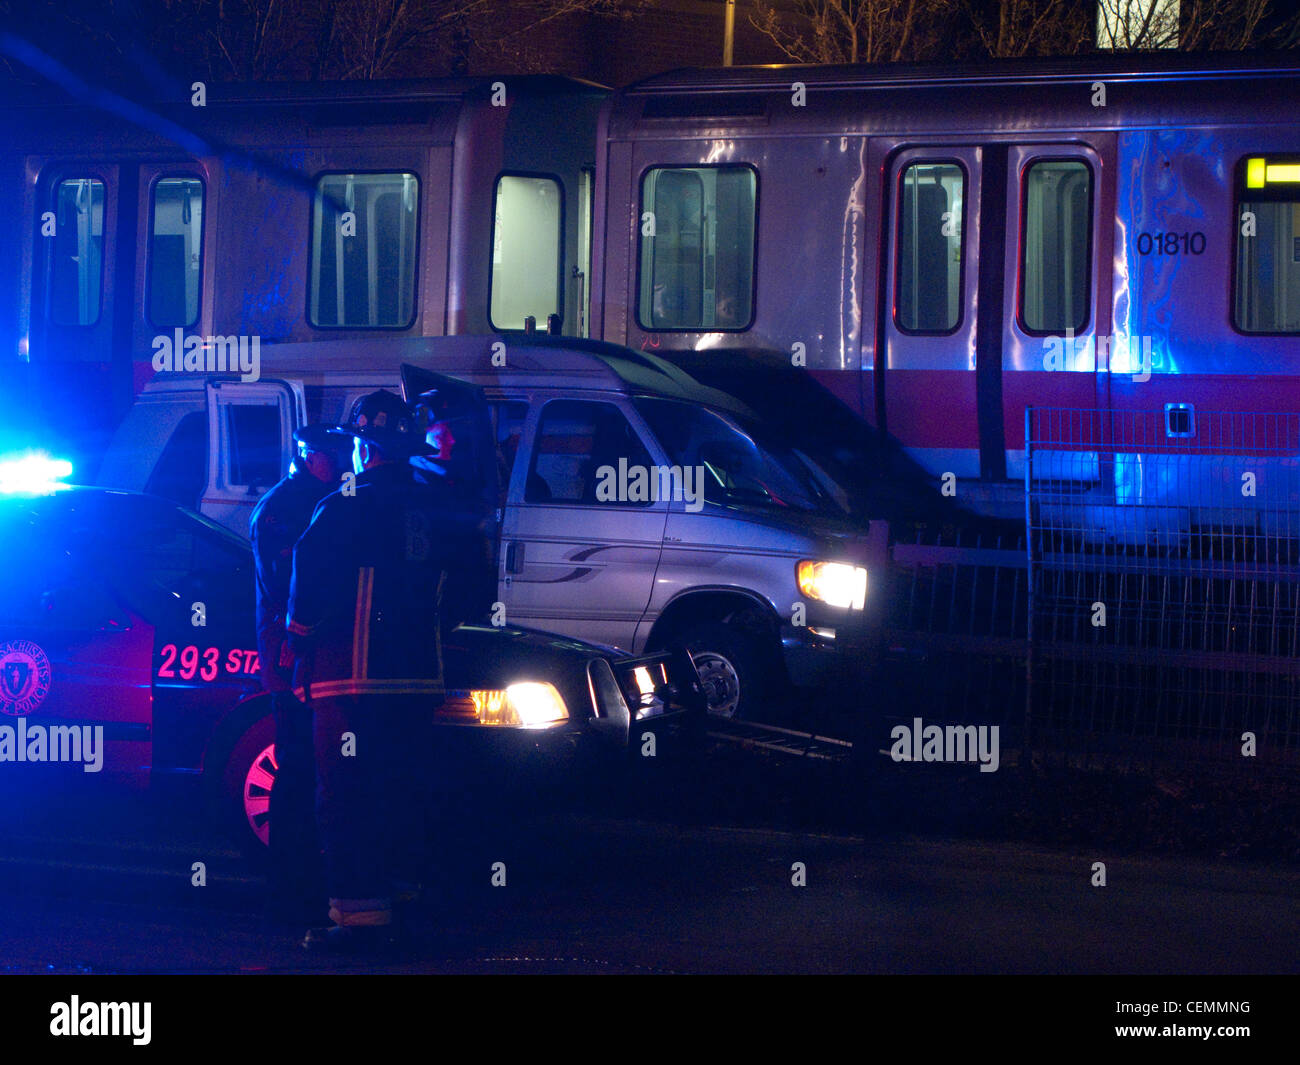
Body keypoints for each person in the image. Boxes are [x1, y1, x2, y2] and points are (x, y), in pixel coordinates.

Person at [287, 390, 477, 952]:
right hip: (418, 680)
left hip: (352, 679)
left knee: (346, 795)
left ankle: (359, 922)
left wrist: (296, 639)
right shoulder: (436, 503)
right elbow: (466, 583)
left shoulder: (346, 502)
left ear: (363, 450)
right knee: (403, 790)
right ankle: (406, 903)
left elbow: (309, 578)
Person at [249, 424, 341, 925]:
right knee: (297, 767)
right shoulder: (285, 508)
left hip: (308, 656)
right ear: (309, 456)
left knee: (312, 765)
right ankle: (287, 883)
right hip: (289, 658)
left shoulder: (318, 499)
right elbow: (287, 583)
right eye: (332, 455)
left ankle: (304, 877)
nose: (342, 462)